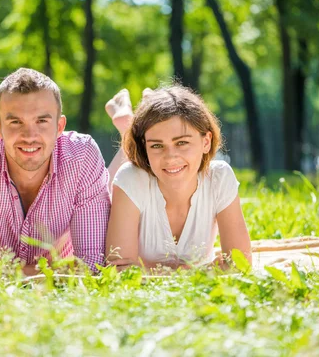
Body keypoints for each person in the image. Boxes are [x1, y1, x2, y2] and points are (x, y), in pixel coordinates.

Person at [0, 68, 132, 279]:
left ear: (59, 126)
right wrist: (53, 273)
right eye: (16, 121)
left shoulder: (81, 154)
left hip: (6, 229)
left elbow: (92, 267)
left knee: (102, 186)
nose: (30, 134)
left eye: (42, 121)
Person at [105, 84, 252, 271]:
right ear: (145, 148)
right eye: (157, 145)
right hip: (126, 181)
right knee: (107, 183)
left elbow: (241, 264)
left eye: (182, 142)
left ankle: (139, 114)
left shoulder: (219, 177)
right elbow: (117, 268)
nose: (170, 157)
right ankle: (127, 126)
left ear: (206, 142)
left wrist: (160, 273)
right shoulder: (129, 179)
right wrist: (194, 273)